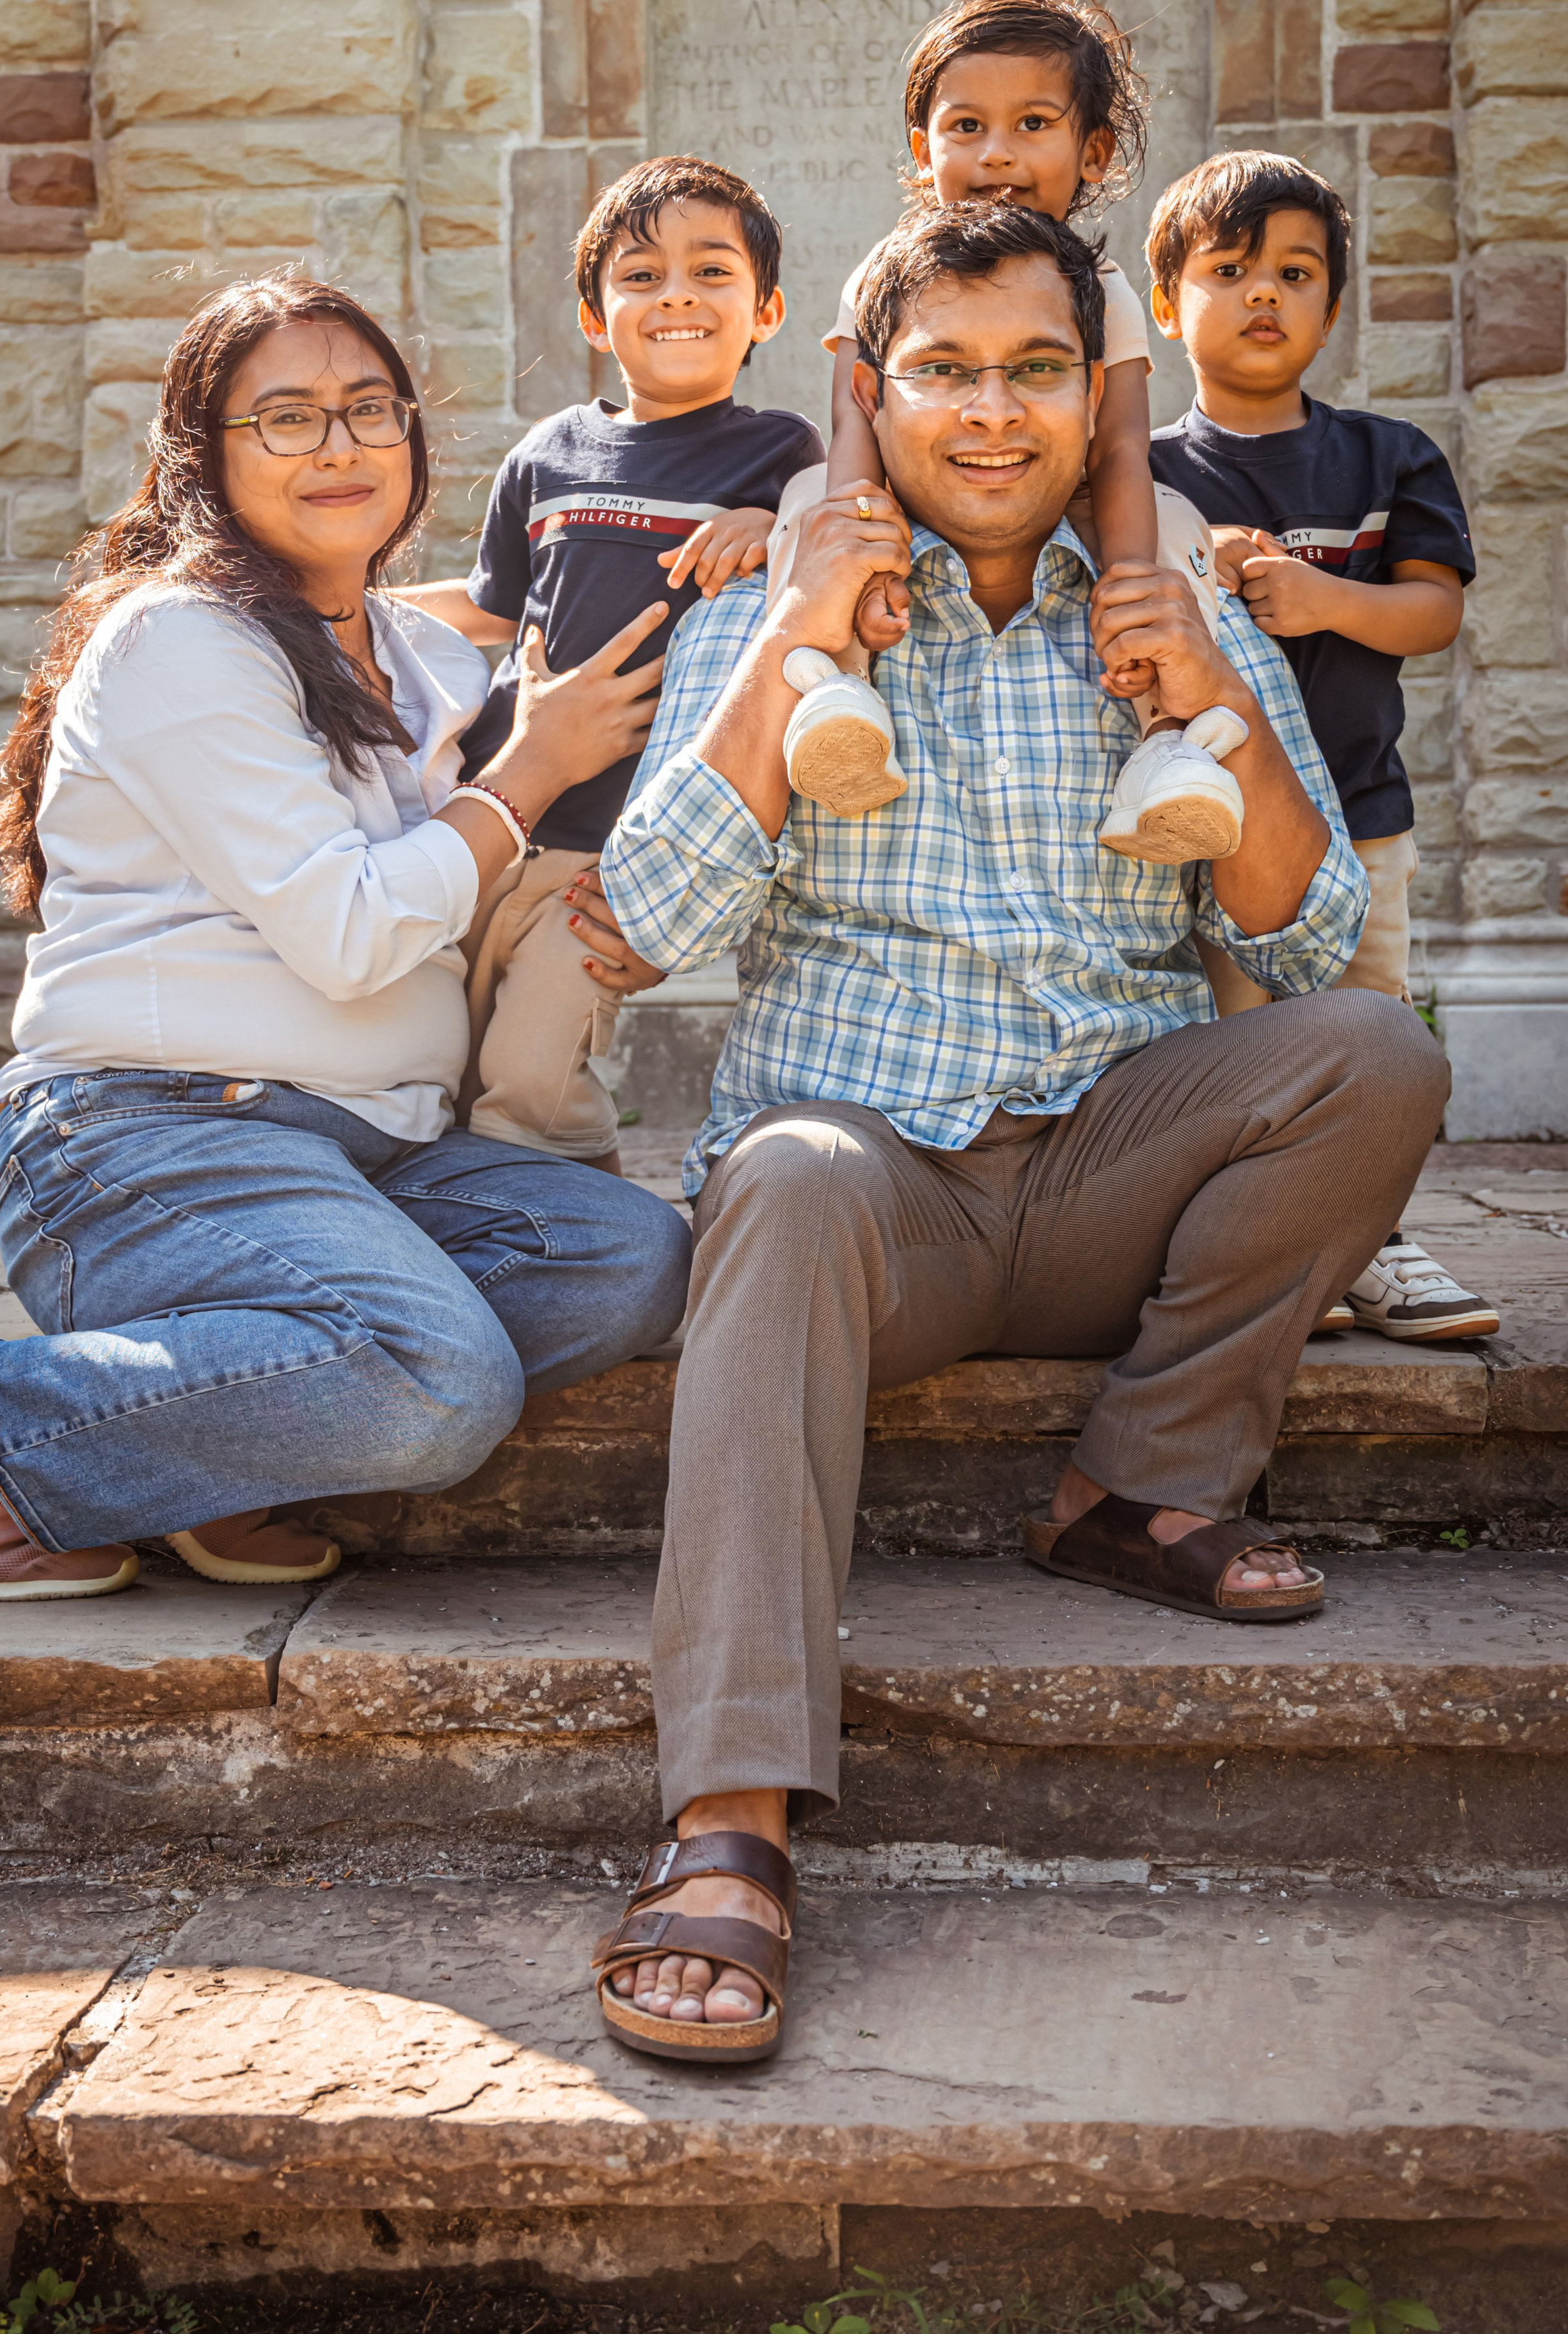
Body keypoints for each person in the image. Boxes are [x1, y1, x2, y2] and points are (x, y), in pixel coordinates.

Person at [579, 203, 1449, 2066]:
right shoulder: (766, 605)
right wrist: (804, 625)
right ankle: (729, 1813)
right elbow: (645, 921)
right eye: (946, 372)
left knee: (1374, 1053)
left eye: (1035, 370)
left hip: (1111, 1165)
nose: (991, 412)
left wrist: (1215, 692)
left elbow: (1293, 942)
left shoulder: (1173, 607)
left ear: (1093, 399)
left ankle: (1132, 1484)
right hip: (872, 1198)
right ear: (874, 398)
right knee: (789, 1177)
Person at [0, 272, 690, 1605]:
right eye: (285, 418)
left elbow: (532, 821)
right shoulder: (180, 640)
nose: (340, 444)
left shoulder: (424, 661)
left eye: (368, 409)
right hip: (148, 1141)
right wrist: (521, 779)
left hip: (370, 1152)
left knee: (628, 1259)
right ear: (205, 455)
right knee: (437, 1380)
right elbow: (351, 934)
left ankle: (211, 1459)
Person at [405, 157, 824, 1173]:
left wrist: (769, 528)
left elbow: (827, 574)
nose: (676, 292)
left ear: (764, 310)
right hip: (494, 814)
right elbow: (494, 612)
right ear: (597, 318)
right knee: (446, 1067)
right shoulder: (549, 455)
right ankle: (498, 1233)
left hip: (619, 847)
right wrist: (331, 605)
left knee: (530, 1073)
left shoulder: (781, 453)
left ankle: (593, 1224)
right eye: (640, 275)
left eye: (710, 272)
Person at [1145, 149, 1498, 1344]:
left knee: (1369, 1031)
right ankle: (1260, 1252)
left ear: (1331, 309)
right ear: (1166, 305)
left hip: (1361, 811)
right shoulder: (1144, 473)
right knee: (1235, 1048)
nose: (1263, 294)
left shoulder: (1387, 457)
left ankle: (1374, 1246)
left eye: (1295, 274)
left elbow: (1434, 610)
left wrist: (1322, 597)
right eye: (1229, 269)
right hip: (1204, 828)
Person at [766, 0, 1243, 865]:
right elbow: (855, 418)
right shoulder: (888, 274)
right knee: (808, 497)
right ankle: (837, 692)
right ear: (922, 151)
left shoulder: (1099, 291)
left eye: (1033, 124)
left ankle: (1168, 739)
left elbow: (1124, 446)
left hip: (1069, 499)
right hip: (922, 494)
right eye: (965, 127)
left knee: (1175, 523)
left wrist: (1130, 579)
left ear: (1093, 150)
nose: (996, 154)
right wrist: (866, 561)